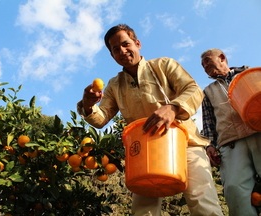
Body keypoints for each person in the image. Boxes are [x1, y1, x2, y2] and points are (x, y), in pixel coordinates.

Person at [77, 24, 223, 216]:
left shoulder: (164, 65)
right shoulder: (114, 86)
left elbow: (193, 89)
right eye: (115, 49)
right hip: (144, 152)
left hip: (185, 144)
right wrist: (88, 105)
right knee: (144, 211)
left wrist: (173, 108)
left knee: (202, 201)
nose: (122, 50)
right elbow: (101, 118)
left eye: (125, 44)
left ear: (137, 44)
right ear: (112, 56)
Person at [201, 48, 261, 216]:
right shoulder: (207, 92)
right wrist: (210, 146)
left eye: (207, 60)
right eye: (202, 65)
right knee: (234, 189)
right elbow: (208, 123)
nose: (204, 66)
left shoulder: (250, 72)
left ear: (222, 57)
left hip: (258, 131)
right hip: (231, 142)